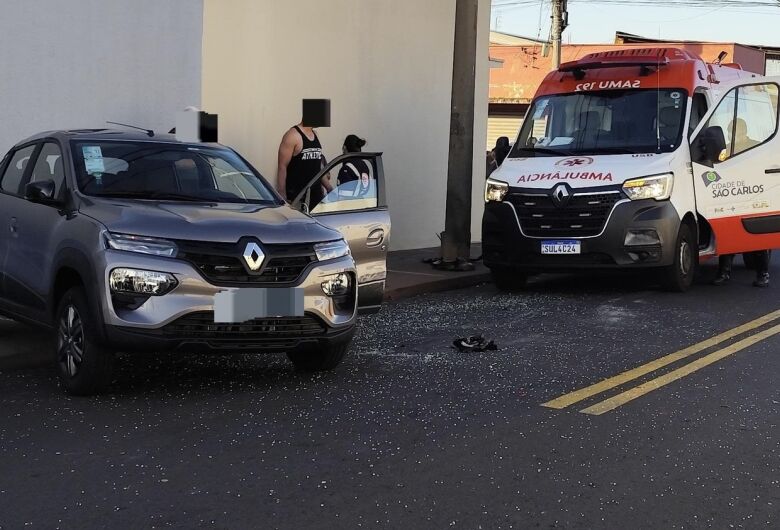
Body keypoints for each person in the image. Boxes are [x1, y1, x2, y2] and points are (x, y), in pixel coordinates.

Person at [277, 121, 332, 205]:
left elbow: (318, 166)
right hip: (297, 199)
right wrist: (282, 197)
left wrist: (329, 188)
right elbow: (282, 167)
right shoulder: (292, 135)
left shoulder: (315, 134)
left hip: (316, 197)